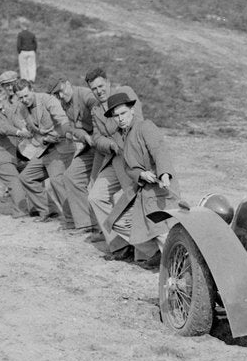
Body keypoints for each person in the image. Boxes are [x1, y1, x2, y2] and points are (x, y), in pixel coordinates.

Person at [102, 91, 179, 267]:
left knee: (161, 229)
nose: (120, 119)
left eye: (123, 113)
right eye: (116, 116)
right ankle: (156, 254)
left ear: (132, 111)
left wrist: (164, 173)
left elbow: (159, 149)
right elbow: (129, 167)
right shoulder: (123, 136)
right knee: (117, 221)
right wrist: (141, 174)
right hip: (143, 189)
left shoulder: (145, 126)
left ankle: (176, 265)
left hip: (161, 188)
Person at [85, 68, 143, 257]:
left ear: (108, 82)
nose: (99, 91)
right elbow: (96, 138)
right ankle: (119, 245)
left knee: (134, 199)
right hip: (114, 157)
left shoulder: (125, 92)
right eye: (94, 89)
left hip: (134, 156)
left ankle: (144, 248)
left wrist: (114, 136)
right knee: (95, 196)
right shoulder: (95, 109)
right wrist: (110, 143)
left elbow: (136, 121)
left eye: (101, 86)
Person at [45, 72, 98, 234]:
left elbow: (101, 112)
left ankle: (103, 229)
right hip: (90, 145)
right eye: (56, 95)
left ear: (67, 83)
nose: (61, 96)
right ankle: (86, 223)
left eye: (61, 91)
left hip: (104, 143)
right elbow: (70, 128)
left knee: (98, 186)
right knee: (71, 177)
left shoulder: (86, 95)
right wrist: (84, 136)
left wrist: (94, 136)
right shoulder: (64, 104)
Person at [13, 78, 72, 220]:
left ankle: (74, 219)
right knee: (26, 177)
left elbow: (63, 120)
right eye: (20, 97)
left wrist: (62, 134)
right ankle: (47, 211)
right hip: (44, 148)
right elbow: (34, 131)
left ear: (32, 90)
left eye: (26, 95)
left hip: (61, 145)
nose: (24, 100)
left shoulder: (47, 100)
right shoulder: (22, 108)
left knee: (57, 181)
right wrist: (36, 139)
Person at [0, 86, 32, 217]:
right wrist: (19, 132)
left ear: (3, 96)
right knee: (15, 182)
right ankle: (20, 213)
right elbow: (2, 128)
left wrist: (24, 128)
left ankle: (38, 208)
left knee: (33, 173)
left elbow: (16, 120)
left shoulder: (7, 110)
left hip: (12, 156)